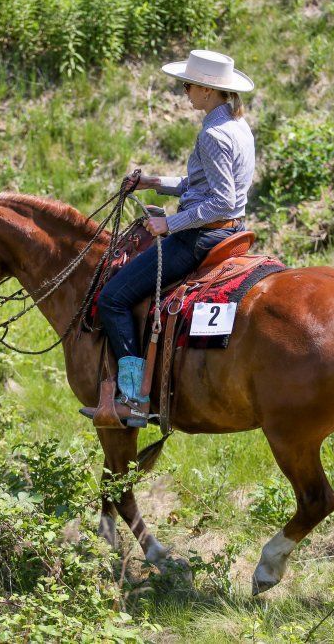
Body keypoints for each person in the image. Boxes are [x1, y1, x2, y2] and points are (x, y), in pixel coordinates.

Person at [94, 49, 256, 415]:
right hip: (231, 231)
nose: (184, 92)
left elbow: (221, 201)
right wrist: (154, 183)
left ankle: (135, 397)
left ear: (207, 91)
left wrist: (170, 224)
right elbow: (200, 184)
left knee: (113, 298)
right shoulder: (236, 124)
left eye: (188, 86)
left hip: (199, 237)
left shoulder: (213, 135)